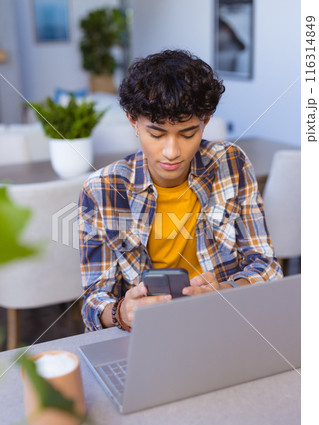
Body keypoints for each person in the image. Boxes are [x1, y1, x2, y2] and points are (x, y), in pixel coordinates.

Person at [78, 49, 282, 333]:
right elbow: (92, 302)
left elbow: (268, 267)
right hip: (147, 332)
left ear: (206, 121)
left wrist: (225, 290)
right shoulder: (103, 189)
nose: (172, 152)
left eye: (188, 134)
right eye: (156, 134)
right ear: (132, 121)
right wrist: (122, 312)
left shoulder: (231, 163)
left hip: (224, 320)